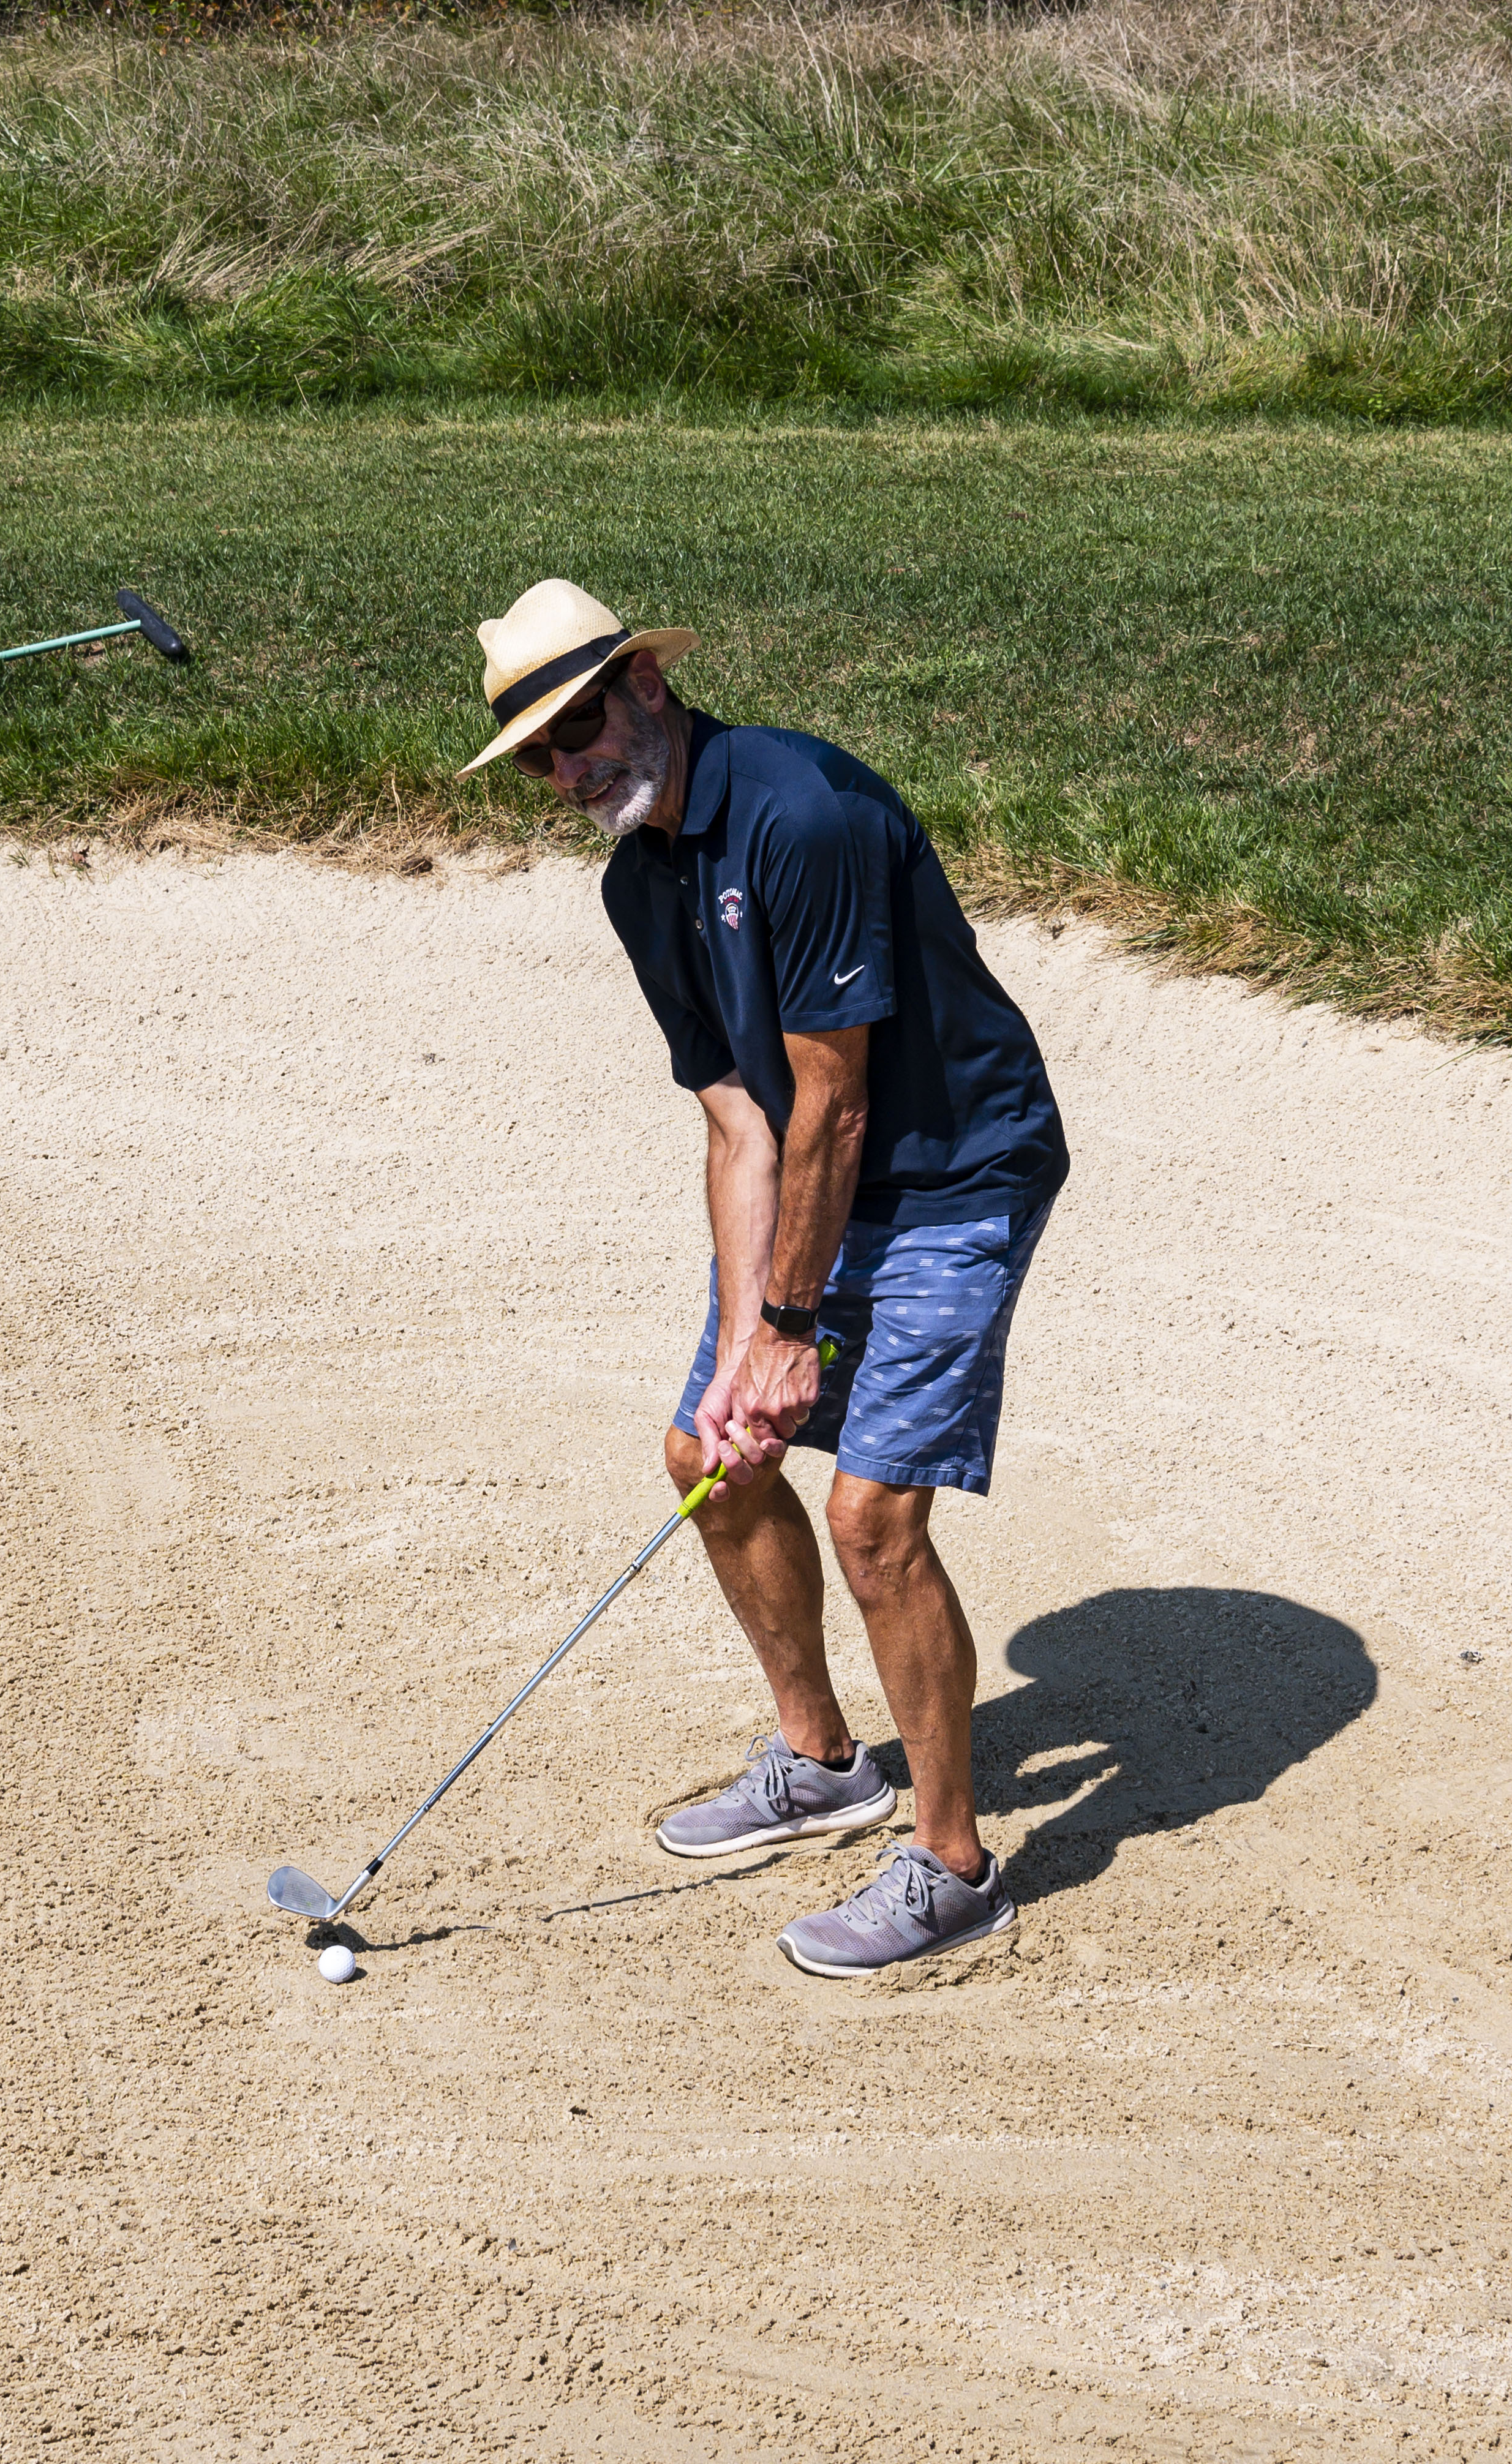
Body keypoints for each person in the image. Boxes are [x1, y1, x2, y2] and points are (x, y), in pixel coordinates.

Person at [457, 579, 1069, 1978]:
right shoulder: (639, 880)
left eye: (582, 723)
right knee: (708, 1450)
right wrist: (749, 1345)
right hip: (816, 1166)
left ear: (646, 685)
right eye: (542, 753)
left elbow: (836, 1103)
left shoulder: (800, 813)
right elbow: (740, 1115)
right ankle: (825, 1762)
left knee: (871, 1517)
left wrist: (793, 1326)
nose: (570, 767)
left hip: (957, 1169)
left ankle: (955, 1861)